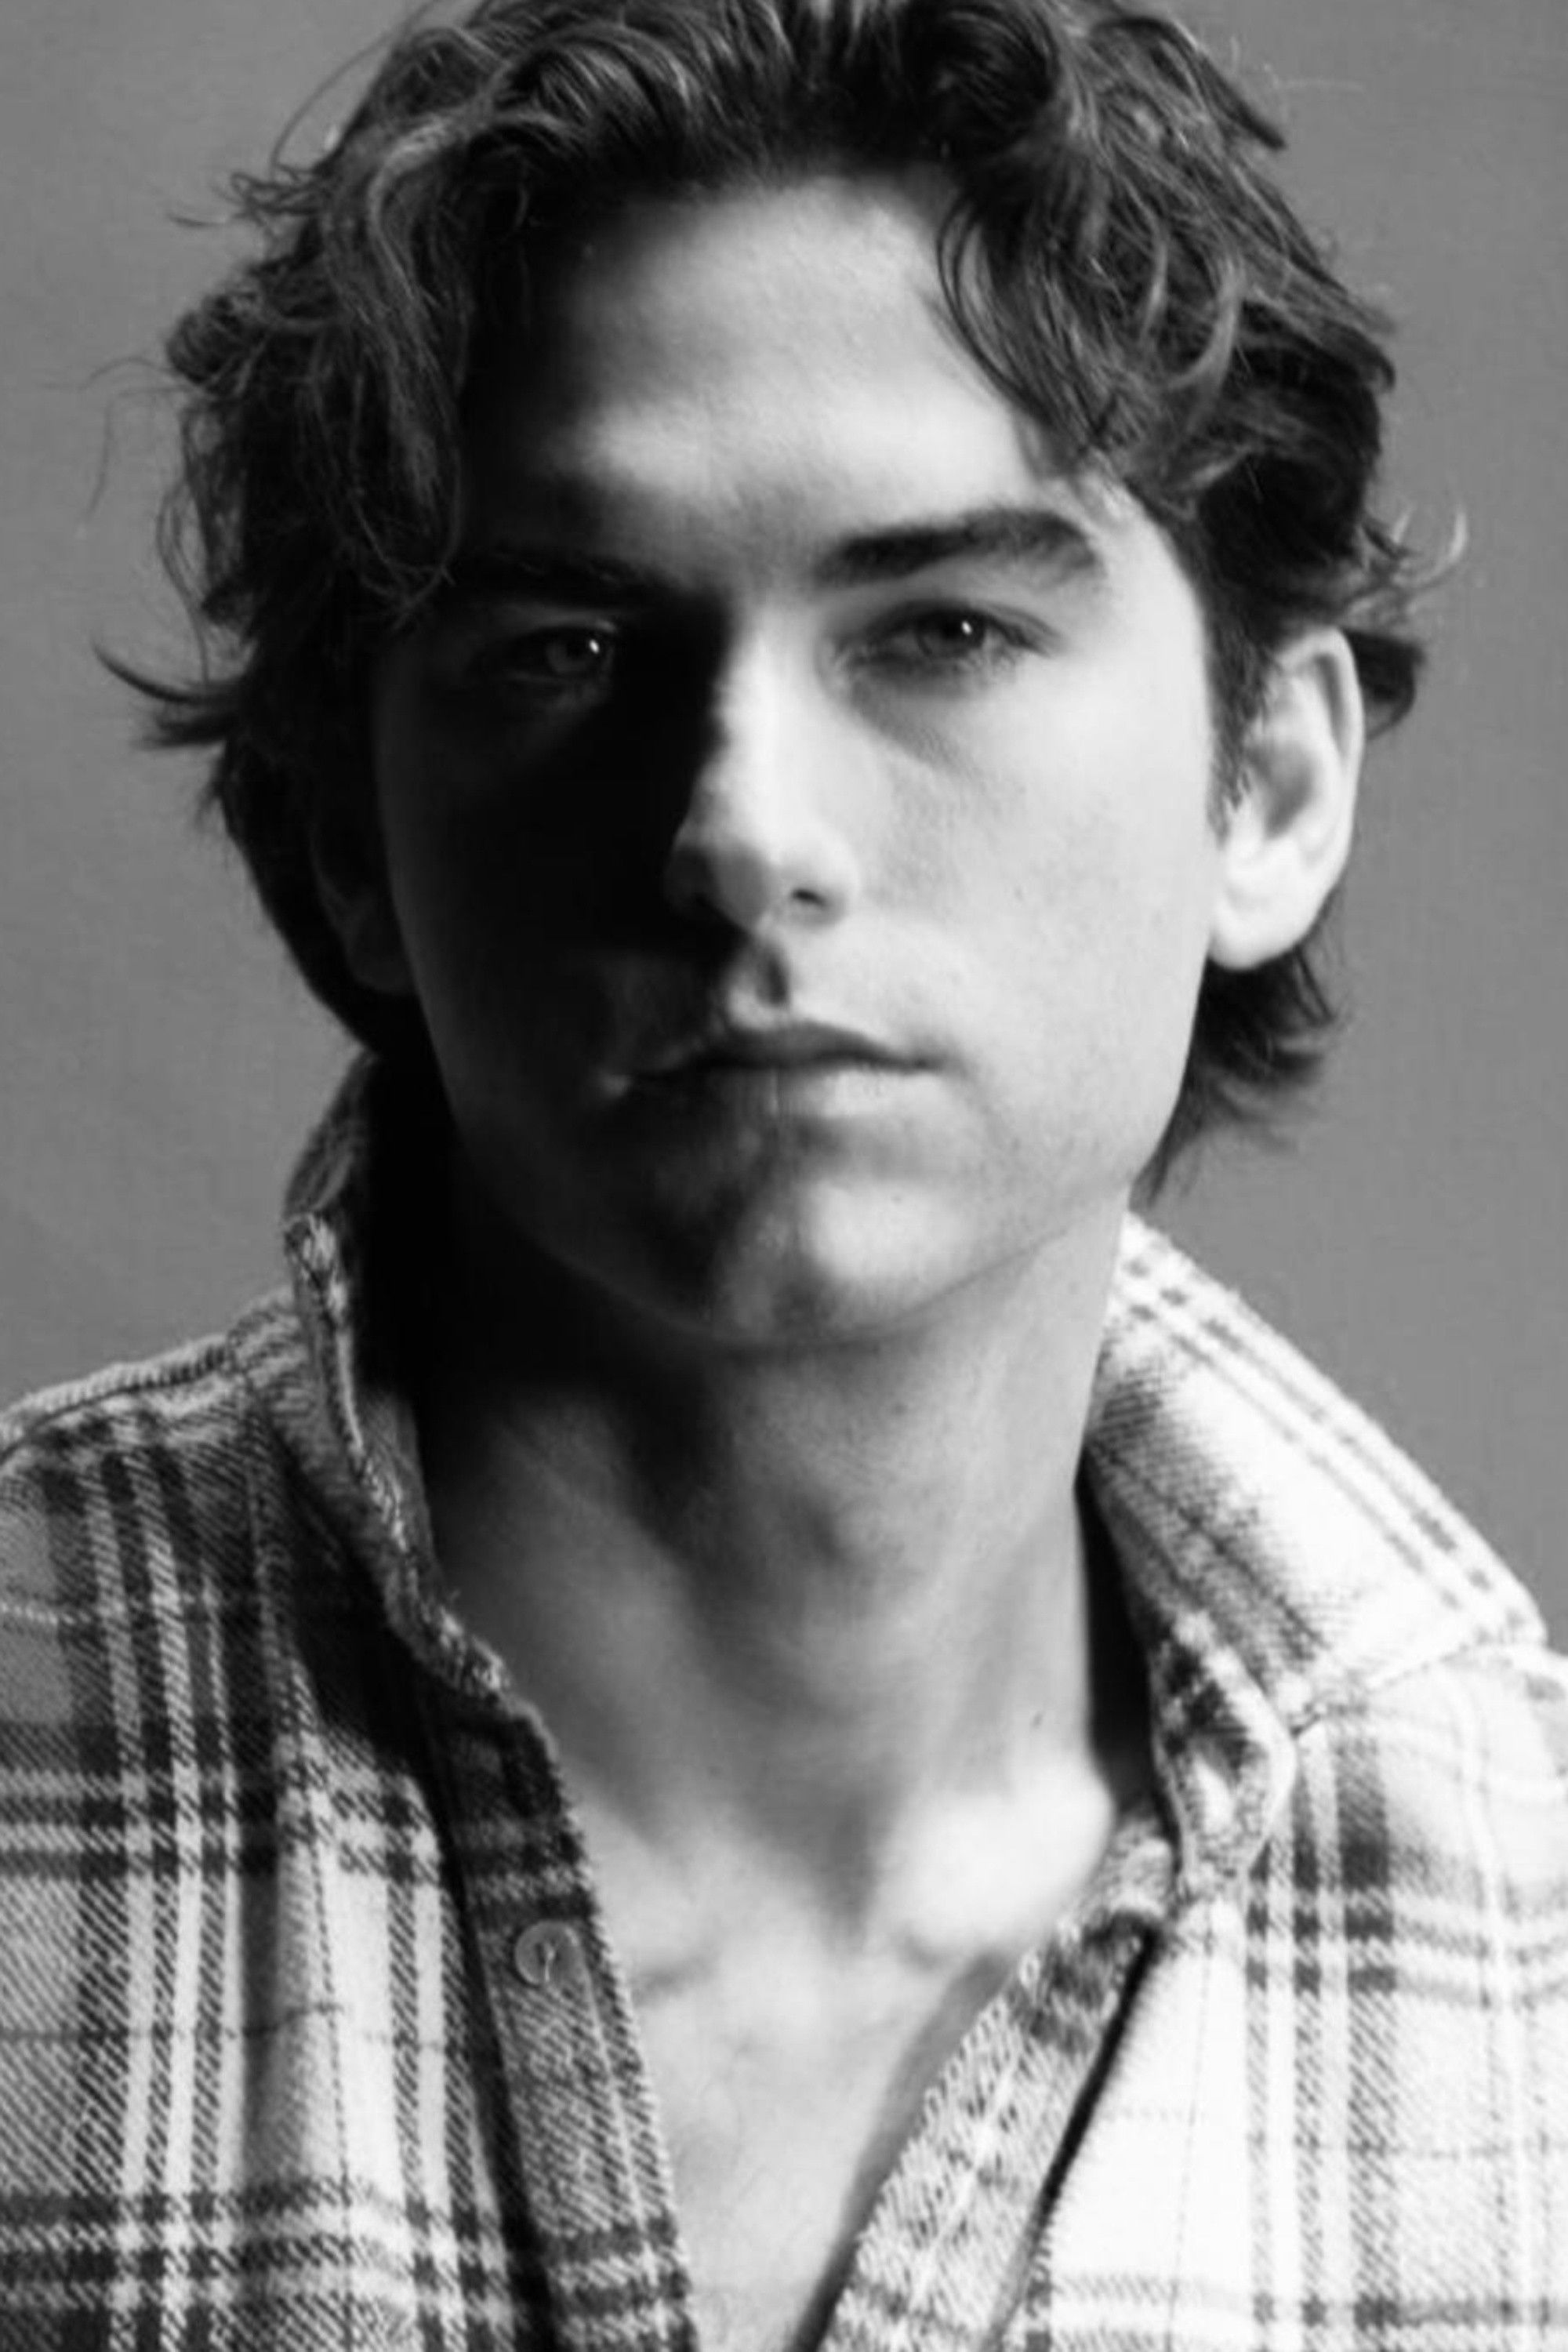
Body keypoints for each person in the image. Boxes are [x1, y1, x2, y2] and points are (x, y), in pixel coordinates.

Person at [2, 0, 1564, 2341]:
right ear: (351, 843)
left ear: (1268, 787)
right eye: (568, 646)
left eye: (944, 631)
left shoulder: (1529, 1941)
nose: (742, 828)